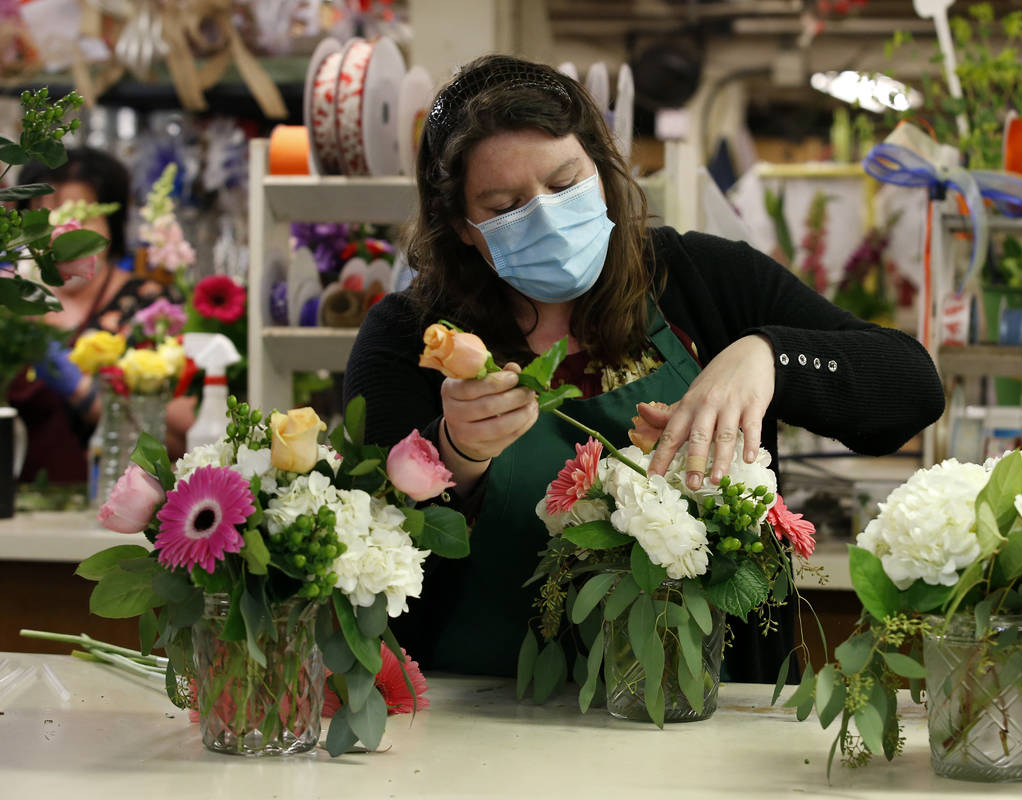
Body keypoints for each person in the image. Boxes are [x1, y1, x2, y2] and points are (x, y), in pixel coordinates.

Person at [344, 55, 945, 681]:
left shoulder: (702, 283)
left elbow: (913, 387)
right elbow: (371, 558)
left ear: (603, 174)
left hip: (711, 715)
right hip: (486, 722)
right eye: (505, 205)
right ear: (462, 227)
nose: (546, 214)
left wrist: (768, 355)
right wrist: (454, 456)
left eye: (564, 182)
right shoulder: (408, 338)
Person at [10, 147, 191, 483]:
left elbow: (186, 439)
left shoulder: (152, 308)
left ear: (113, 223)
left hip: (114, 507)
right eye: (42, 216)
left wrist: (80, 388)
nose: (60, 232)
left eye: (78, 217)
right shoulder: (10, 304)